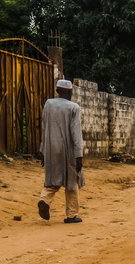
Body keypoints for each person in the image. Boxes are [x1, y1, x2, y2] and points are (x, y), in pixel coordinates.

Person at [37, 78, 84, 224]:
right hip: (69, 150)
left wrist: (43, 150)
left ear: (57, 91)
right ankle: (71, 215)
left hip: (51, 148)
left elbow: (44, 128)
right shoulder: (74, 107)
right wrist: (79, 155)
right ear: (70, 92)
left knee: (52, 178)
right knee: (72, 181)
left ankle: (44, 200)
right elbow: (76, 133)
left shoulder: (48, 104)